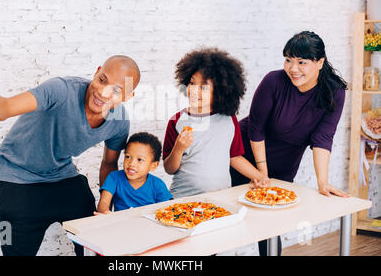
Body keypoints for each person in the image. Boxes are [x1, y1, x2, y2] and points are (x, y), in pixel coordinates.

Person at [0, 55, 140, 256]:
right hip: (16, 175)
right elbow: (6, 107)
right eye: (102, 80)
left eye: (117, 91)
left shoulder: (119, 121)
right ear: (96, 72)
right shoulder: (61, 90)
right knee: (12, 248)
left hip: (61, 175)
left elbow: (109, 162)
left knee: (96, 236)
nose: (104, 93)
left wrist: (106, 207)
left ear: (128, 96)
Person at [230, 31, 349, 256]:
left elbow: (323, 137)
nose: (293, 68)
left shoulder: (335, 91)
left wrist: (323, 182)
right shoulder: (273, 81)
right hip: (243, 155)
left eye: (301, 62)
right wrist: (260, 173)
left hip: (284, 164)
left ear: (320, 62)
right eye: (288, 60)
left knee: (271, 227)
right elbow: (256, 128)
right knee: (224, 216)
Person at [163, 47, 268, 199]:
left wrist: (260, 178)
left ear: (220, 91)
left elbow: (234, 157)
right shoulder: (176, 121)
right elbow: (169, 169)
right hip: (183, 198)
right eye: (192, 83)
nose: (194, 90)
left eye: (203, 87)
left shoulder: (229, 119)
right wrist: (178, 149)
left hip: (221, 198)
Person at [96, 132, 172, 213]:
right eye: (128, 157)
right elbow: (103, 202)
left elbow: (167, 209)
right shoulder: (114, 178)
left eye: (139, 160)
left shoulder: (157, 185)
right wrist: (104, 212)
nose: (131, 163)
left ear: (153, 165)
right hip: (121, 224)